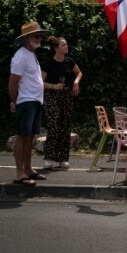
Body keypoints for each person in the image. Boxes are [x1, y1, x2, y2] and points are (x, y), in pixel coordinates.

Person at [8, 21, 50, 186]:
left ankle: (28, 169)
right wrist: (15, 101)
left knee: (30, 136)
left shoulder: (31, 54)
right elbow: (13, 82)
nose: (39, 38)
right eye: (36, 35)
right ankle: (20, 173)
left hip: (34, 101)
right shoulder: (20, 56)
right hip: (26, 101)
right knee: (21, 136)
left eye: (40, 36)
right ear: (26, 38)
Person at [41, 36, 82, 169]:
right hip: (52, 97)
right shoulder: (47, 64)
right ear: (56, 48)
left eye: (66, 45)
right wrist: (54, 86)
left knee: (65, 127)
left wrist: (76, 82)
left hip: (66, 97)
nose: (66, 47)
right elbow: (40, 83)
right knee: (54, 125)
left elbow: (79, 73)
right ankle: (48, 158)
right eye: (63, 45)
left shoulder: (69, 61)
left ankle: (62, 158)